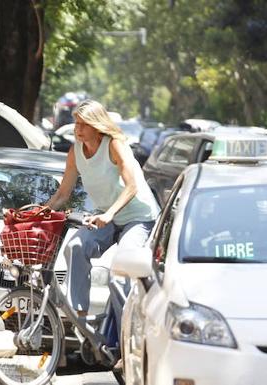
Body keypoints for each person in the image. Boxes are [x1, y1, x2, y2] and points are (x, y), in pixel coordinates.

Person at [45, 100, 159, 326]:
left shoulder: (114, 144)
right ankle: (81, 319)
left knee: (120, 273)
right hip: (106, 214)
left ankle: (127, 332)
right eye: (76, 123)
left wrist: (108, 215)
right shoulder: (75, 152)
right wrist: (40, 212)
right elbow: (62, 194)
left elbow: (132, 186)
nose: (77, 129)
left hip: (138, 216)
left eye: (83, 125)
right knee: (76, 247)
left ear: (97, 126)